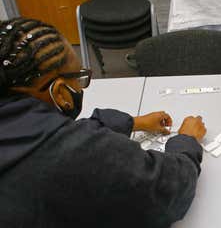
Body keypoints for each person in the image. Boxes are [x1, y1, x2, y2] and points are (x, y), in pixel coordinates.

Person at [0, 18, 206, 227]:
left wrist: (132, 122)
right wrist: (186, 141)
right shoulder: (77, 156)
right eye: (80, 78)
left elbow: (52, 134)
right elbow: (170, 191)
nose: (82, 87)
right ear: (61, 93)